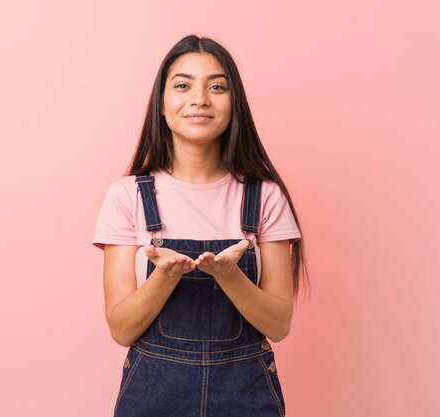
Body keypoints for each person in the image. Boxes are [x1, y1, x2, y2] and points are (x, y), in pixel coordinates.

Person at [92, 34, 309, 417]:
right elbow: (121, 329)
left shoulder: (265, 197)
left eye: (216, 86)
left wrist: (229, 276)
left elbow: (279, 324)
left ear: (233, 103)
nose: (200, 99)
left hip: (245, 396)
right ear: (162, 104)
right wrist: (166, 276)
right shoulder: (127, 196)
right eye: (182, 85)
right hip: (153, 396)